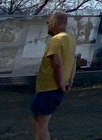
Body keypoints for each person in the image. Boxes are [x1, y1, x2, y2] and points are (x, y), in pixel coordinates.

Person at [31, 12, 76, 140]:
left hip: (49, 88)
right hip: (54, 88)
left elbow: (57, 64)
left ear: (55, 23)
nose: (47, 24)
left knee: (41, 124)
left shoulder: (56, 40)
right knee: (37, 121)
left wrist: (61, 83)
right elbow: (73, 60)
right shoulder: (70, 38)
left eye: (49, 21)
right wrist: (70, 81)